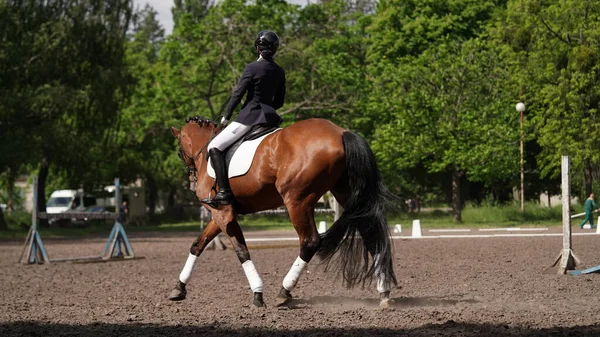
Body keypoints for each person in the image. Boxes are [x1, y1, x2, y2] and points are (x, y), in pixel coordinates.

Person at [201, 30, 286, 207]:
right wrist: (267, 109)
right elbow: (279, 101)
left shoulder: (252, 68)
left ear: (258, 48)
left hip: (249, 117)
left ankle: (224, 191)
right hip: (270, 119)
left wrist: (226, 117)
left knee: (214, 146)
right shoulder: (279, 71)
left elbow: (238, 95)